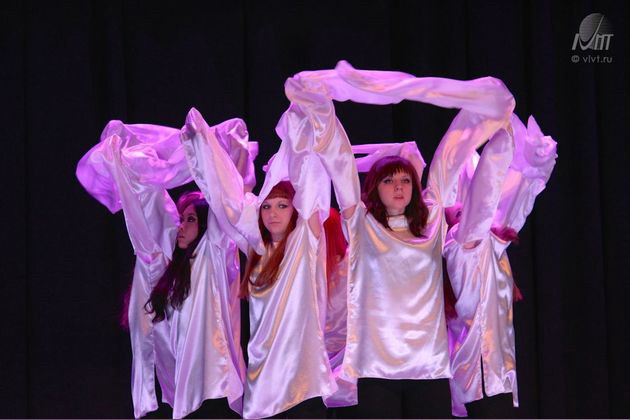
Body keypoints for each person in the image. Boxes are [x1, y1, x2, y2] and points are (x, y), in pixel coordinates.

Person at [277, 60, 515, 418]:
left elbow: (452, 156)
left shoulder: (431, 221)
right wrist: (318, 108)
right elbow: (339, 160)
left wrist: (491, 121)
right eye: (388, 180)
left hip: (429, 366)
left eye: (404, 180)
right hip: (376, 368)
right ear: (375, 188)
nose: (399, 186)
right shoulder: (361, 223)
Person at [76, 118, 254, 418]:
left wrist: (210, 146)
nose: (181, 226)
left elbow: (227, 203)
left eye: (190, 220)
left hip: (218, 390)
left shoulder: (214, 255)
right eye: (181, 219)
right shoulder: (171, 273)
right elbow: (146, 218)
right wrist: (125, 165)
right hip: (187, 395)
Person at [181, 107, 338, 419]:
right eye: (267, 206)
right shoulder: (256, 248)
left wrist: (306, 122)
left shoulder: (305, 243)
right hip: (263, 384)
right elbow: (227, 201)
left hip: (302, 385)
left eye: (282, 205)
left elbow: (311, 177)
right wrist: (203, 144)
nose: (273, 213)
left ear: (295, 210)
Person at [444, 114, 557, 418]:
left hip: (495, 372)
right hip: (478, 373)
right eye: (458, 212)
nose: (467, 213)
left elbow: (514, 202)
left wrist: (531, 167)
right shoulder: (460, 243)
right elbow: (487, 195)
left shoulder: (493, 249)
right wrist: (503, 134)